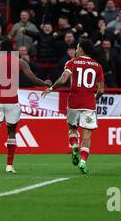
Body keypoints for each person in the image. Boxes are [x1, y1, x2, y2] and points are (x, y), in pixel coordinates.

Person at [0, 39, 51, 173]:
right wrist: (45, 83)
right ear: (13, 49)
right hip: (12, 101)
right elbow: (32, 79)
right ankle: (9, 166)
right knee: (11, 133)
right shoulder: (20, 62)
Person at [42, 40, 104, 175]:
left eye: (77, 48)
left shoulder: (72, 63)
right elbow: (101, 90)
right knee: (87, 136)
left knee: (72, 129)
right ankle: (83, 161)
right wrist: (94, 98)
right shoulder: (97, 66)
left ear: (81, 49)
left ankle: (74, 145)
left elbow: (63, 79)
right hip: (89, 103)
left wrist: (51, 88)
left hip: (74, 102)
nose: (75, 50)